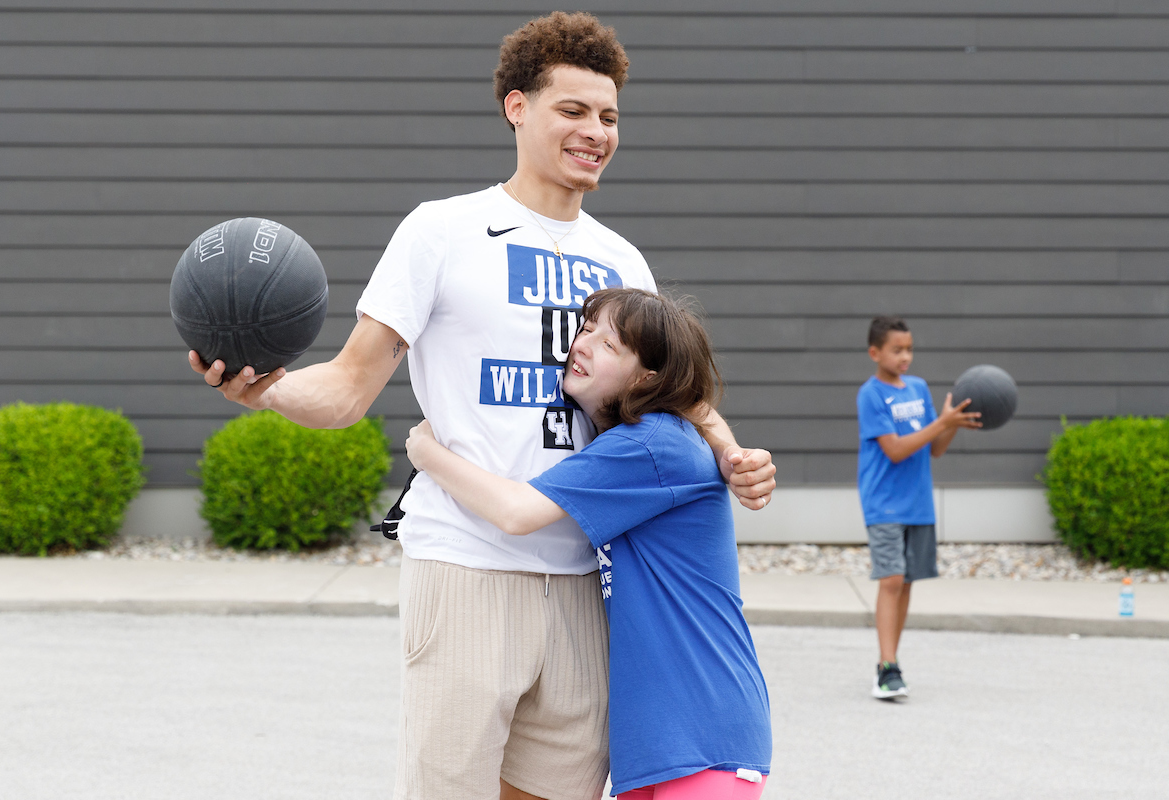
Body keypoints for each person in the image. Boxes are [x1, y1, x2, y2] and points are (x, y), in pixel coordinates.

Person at [188, 12, 776, 800]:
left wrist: (732, 454)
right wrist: (265, 390)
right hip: (466, 565)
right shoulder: (442, 231)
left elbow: (682, 392)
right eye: (573, 110)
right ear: (517, 107)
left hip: (583, 580)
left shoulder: (621, 258)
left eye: (608, 117)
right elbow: (349, 388)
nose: (595, 132)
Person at [406, 288, 772, 800]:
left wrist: (425, 452)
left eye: (610, 344)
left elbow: (516, 513)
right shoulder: (647, 438)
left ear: (647, 378)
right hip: (655, 749)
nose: (582, 344)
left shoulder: (648, 442)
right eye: (586, 328)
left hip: (703, 736)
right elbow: (699, 408)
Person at [856, 316, 979, 700]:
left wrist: (952, 422)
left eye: (909, 349)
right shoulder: (871, 394)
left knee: (905, 582)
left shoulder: (919, 388)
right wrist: (941, 421)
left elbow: (935, 448)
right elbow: (894, 450)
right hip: (884, 502)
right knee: (891, 579)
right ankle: (886, 667)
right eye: (897, 350)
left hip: (918, 503)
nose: (905, 356)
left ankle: (892, 662)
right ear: (875, 352)